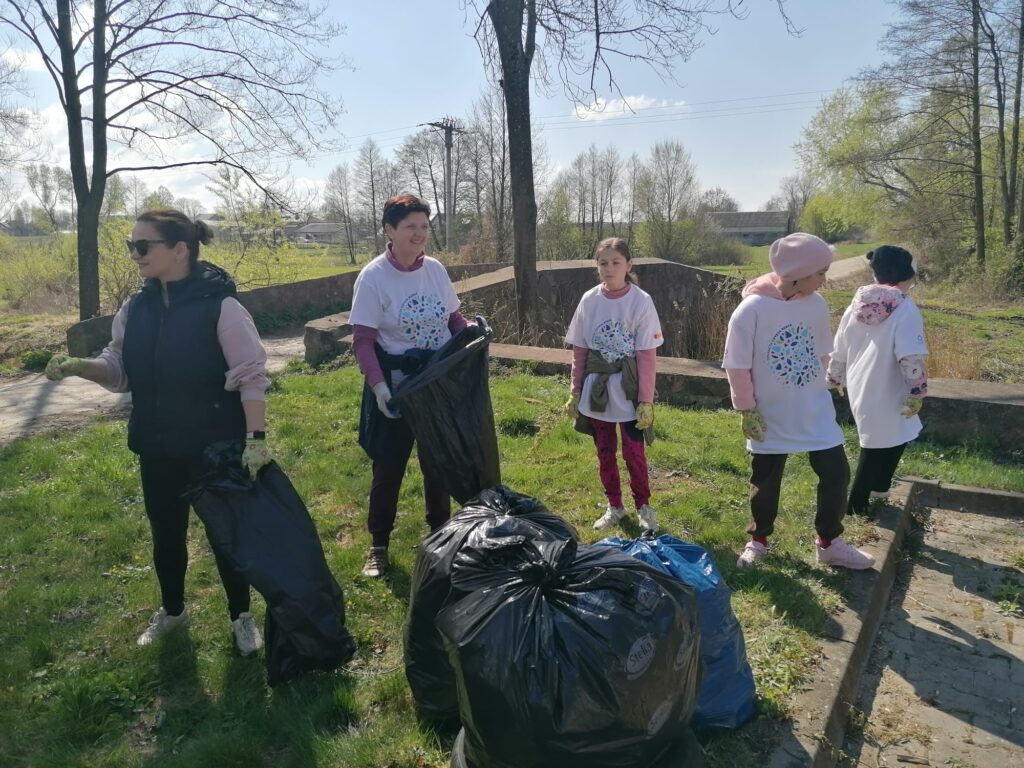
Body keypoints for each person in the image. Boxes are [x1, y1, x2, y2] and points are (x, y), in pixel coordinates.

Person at [44, 208, 271, 653]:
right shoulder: (135, 309)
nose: (135, 254)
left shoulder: (221, 307)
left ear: (180, 249)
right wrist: (81, 366)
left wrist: (256, 440)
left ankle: (241, 616)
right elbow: (119, 370)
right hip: (157, 445)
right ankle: (173, 611)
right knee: (166, 534)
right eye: (132, 245)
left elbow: (251, 375)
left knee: (225, 535)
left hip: (214, 446)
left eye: (143, 245)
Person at [722, 232, 874, 570]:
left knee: (836, 472)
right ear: (797, 273)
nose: (824, 279)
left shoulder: (815, 304)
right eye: (820, 272)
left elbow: (822, 352)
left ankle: (830, 542)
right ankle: (758, 541)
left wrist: (827, 382)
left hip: (813, 409)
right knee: (765, 481)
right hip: (769, 414)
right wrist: (746, 409)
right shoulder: (751, 310)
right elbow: (736, 364)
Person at [350, 194, 470, 578]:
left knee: (438, 464)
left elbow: (453, 319)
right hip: (399, 387)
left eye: (423, 226)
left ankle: (441, 536)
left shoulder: (435, 270)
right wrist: (379, 387)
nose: (419, 234)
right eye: (410, 227)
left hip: (437, 384)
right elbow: (363, 340)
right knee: (389, 468)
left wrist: (471, 332)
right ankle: (378, 545)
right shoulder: (374, 278)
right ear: (390, 230)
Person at [565, 237, 663, 532]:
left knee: (634, 451)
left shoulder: (641, 301)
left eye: (616, 262)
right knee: (604, 451)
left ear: (629, 265)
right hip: (598, 389)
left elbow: (647, 355)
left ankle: (643, 506)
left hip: (628, 389)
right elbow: (580, 349)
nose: (609, 268)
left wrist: (646, 400)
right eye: (603, 263)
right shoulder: (589, 300)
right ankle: (615, 506)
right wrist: (575, 390)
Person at [828, 245, 928, 516]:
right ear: (907, 273)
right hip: (890, 386)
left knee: (896, 434)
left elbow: (840, 345)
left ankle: (880, 489)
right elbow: (910, 356)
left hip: (860, 383)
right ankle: (855, 505)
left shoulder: (856, 304)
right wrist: (917, 391)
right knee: (875, 445)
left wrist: (835, 376)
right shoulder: (905, 308)